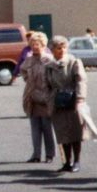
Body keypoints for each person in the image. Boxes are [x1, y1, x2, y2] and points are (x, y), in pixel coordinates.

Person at [44, 35, 88, 172]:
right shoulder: (49, 66)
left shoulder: (74, 62)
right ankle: (66, 162)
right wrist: (49, 99)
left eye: (64, 47)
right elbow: (46, 85)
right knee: (62, 133)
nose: (62, 50)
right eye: (58, 48)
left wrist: (80, 98)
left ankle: (77, 161)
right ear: (52, 50)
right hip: (57, 102)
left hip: (72, 101)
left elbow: (81, 81)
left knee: (75, 132)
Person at [19, 31, 56, 164]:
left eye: (38, 44)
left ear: (43, 45)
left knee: (47, 127)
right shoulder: (28, 60)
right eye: (33, 44)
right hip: (32, 98)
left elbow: (55, 75)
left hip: (45, 98)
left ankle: (50, 155)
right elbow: (22, 70)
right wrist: (27, 80)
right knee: (35, 128)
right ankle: (36, 154)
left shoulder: (49, 60)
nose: (35, 46)